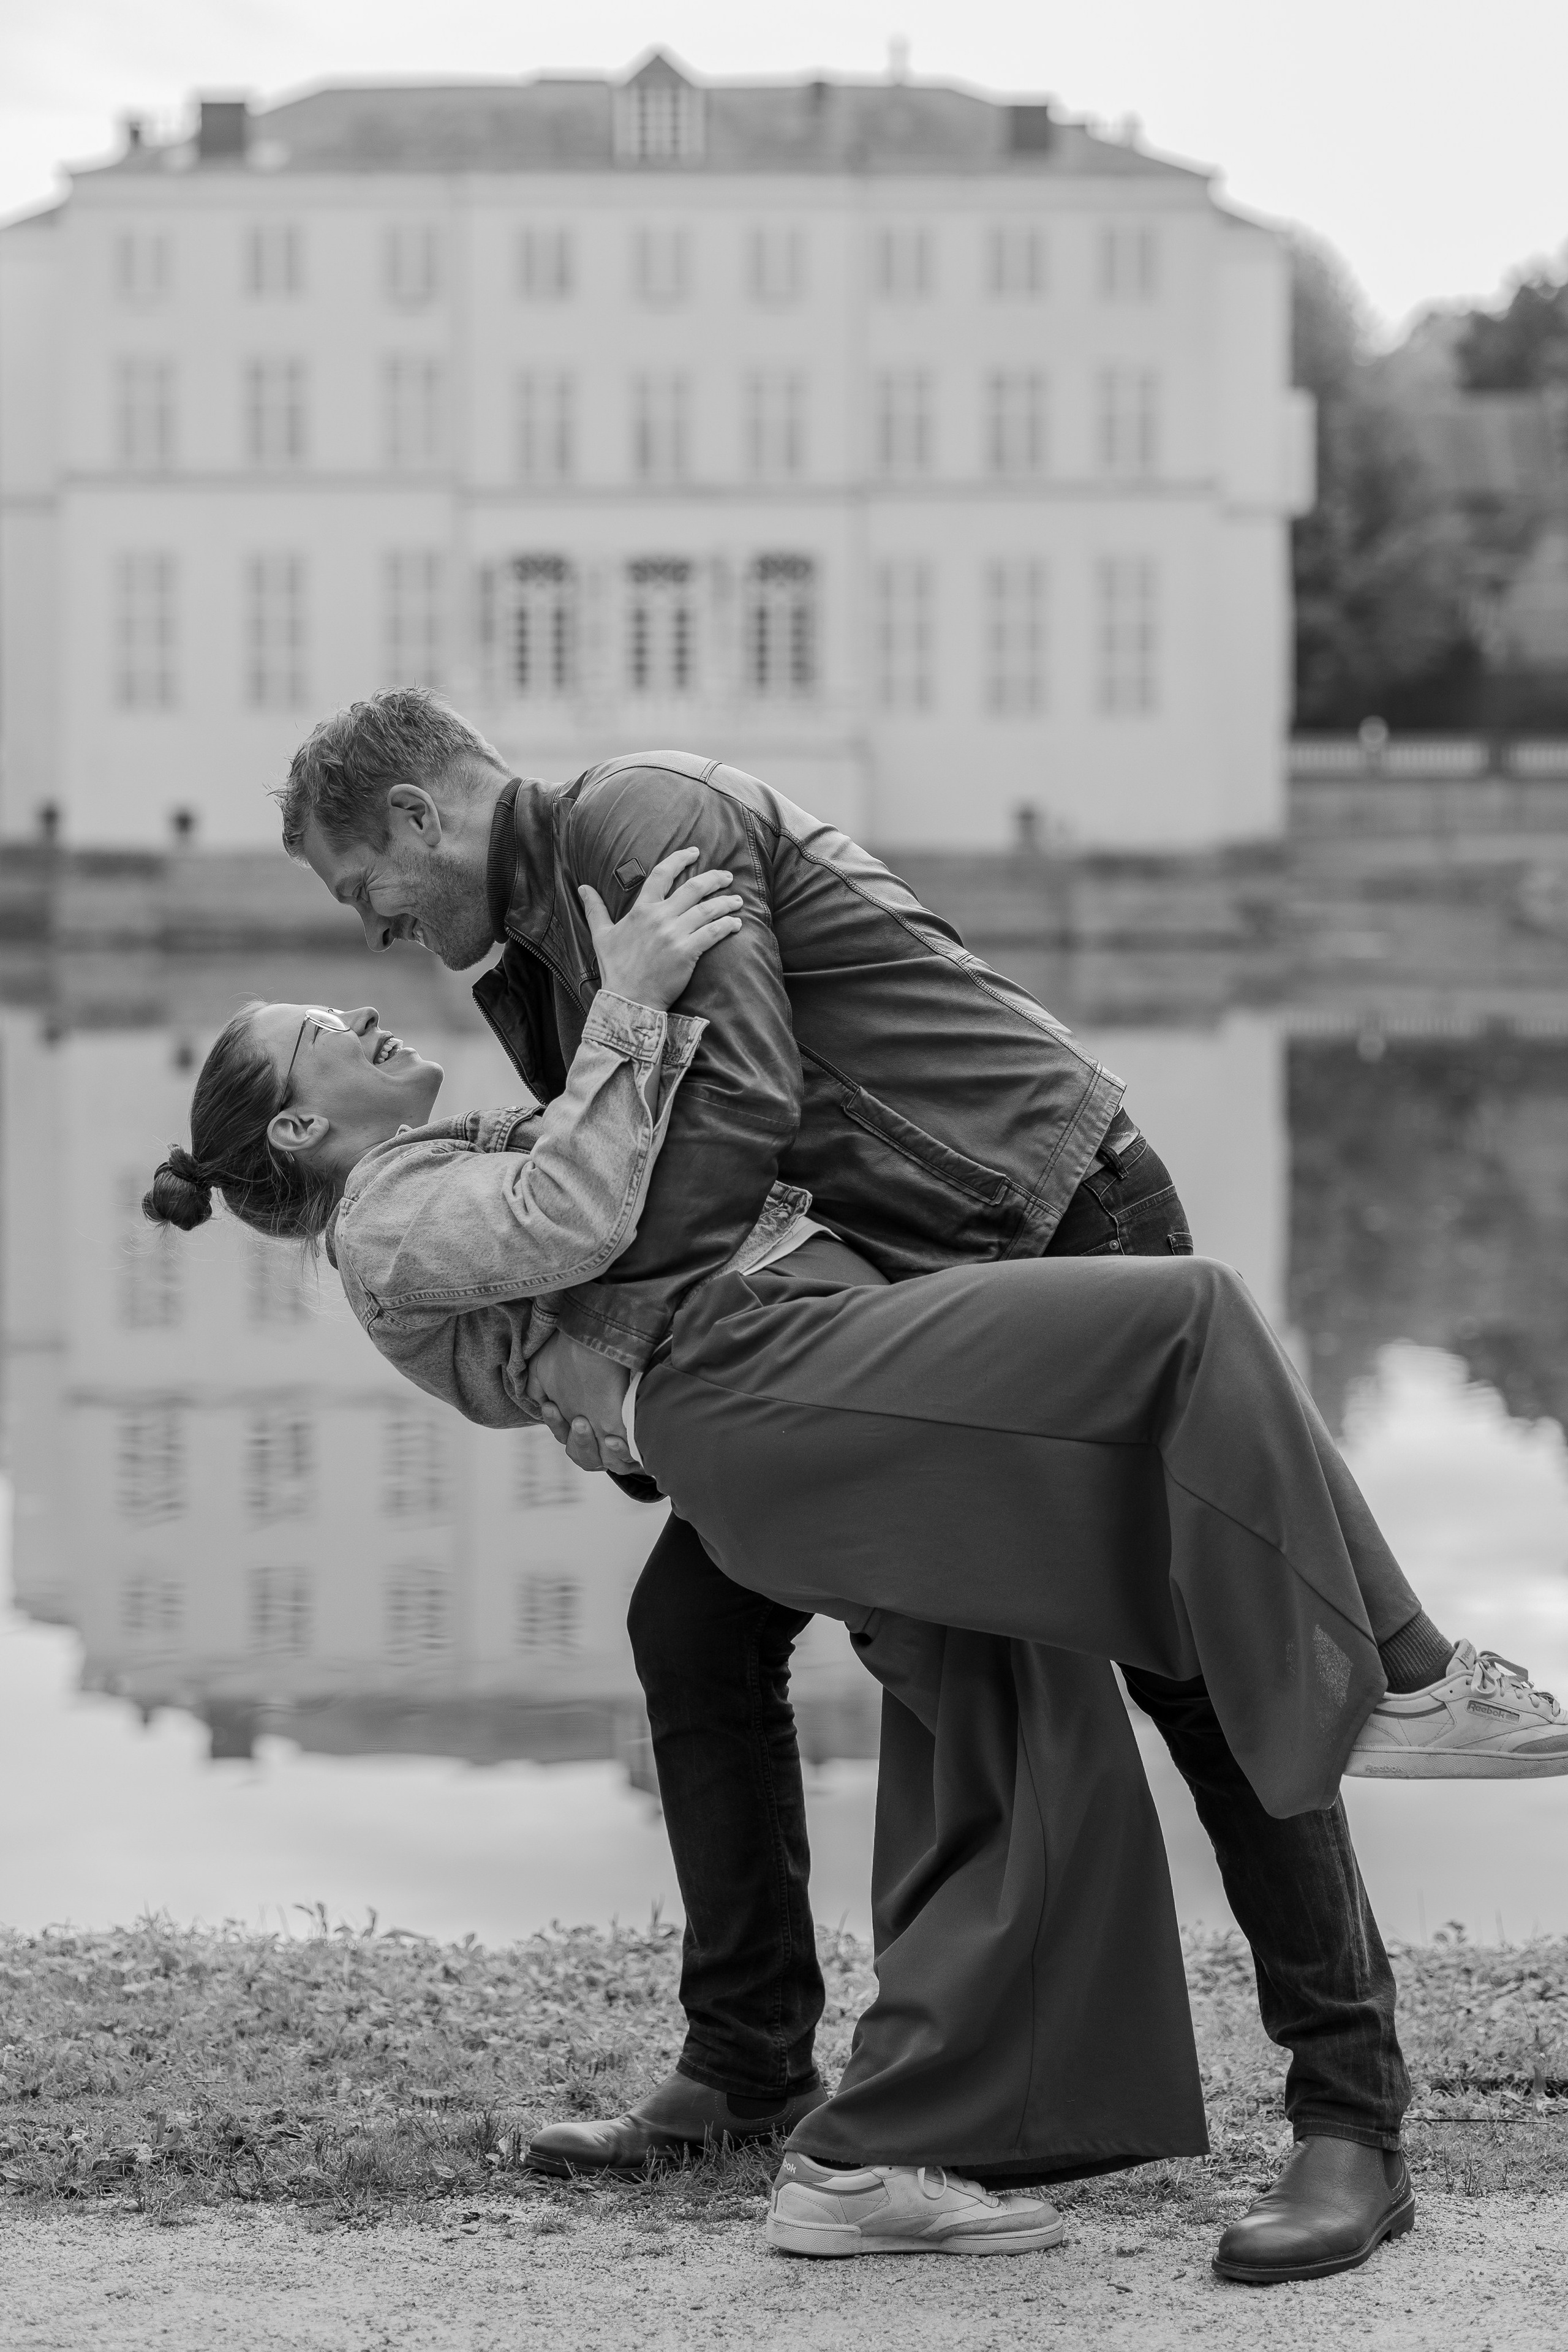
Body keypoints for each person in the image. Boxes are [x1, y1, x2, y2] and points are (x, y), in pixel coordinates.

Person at [267, 690, 1565, 2281]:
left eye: (362, 890)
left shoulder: (640, 827)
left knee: (1190, 1671)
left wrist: (621, 1356)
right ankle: (750, 2063)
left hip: (1037, 1206)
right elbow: (576, 1214)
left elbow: (732, 1112)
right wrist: (604, 1393)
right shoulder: (537, 959)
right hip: (861, 1296)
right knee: (698, 1623)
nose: (380, 936)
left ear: (413, 820)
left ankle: (1352, 2118)